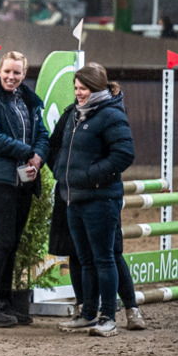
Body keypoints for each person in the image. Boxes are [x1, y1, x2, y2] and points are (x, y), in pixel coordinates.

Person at [51, 63, 135, 337]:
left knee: (104, 258)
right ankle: (88, 314)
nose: (78, 93)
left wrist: (90, 176)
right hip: (73, 198)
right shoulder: (75, 115)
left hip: (101, 199)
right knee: (85, 259)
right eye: (76, 88)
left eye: (83, 88)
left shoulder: (111, 115)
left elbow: (124, 154)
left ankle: (108, 317)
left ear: (96, 88)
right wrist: (62, 176)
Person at [0, 50, 50, 327]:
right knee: (3, 240)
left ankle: (3, 302)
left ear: (24, 74)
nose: (11, 76)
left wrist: (38, 158)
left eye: (17, 72)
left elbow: (43, 133)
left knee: (12, 242)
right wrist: (28, 151)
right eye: (7, 71)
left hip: (25, 178)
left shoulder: (28, 100)